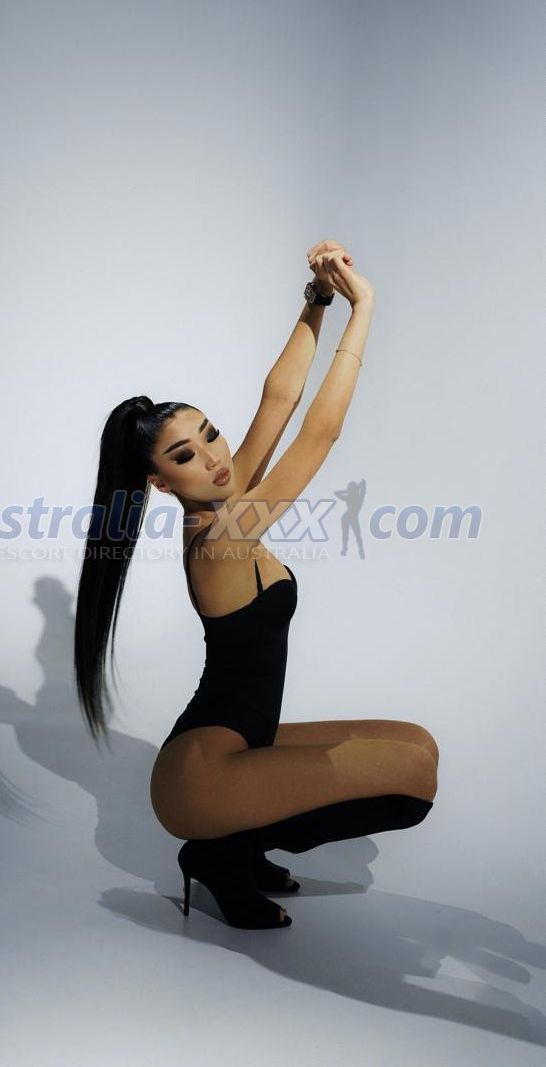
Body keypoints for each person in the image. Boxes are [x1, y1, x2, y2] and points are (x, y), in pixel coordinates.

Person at [74, 240, 438, 931]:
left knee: (418, 745)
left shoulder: (226, 498)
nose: (215, 457)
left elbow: (279, 399)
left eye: (211, 434)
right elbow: (318, 436)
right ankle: (222, 853)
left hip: (242, 744)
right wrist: (363, 307)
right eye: (186, 455)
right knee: (412, 781)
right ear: (158, 482)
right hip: (202, 777)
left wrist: (317, 300)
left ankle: (238, 845)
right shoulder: (220, 537)